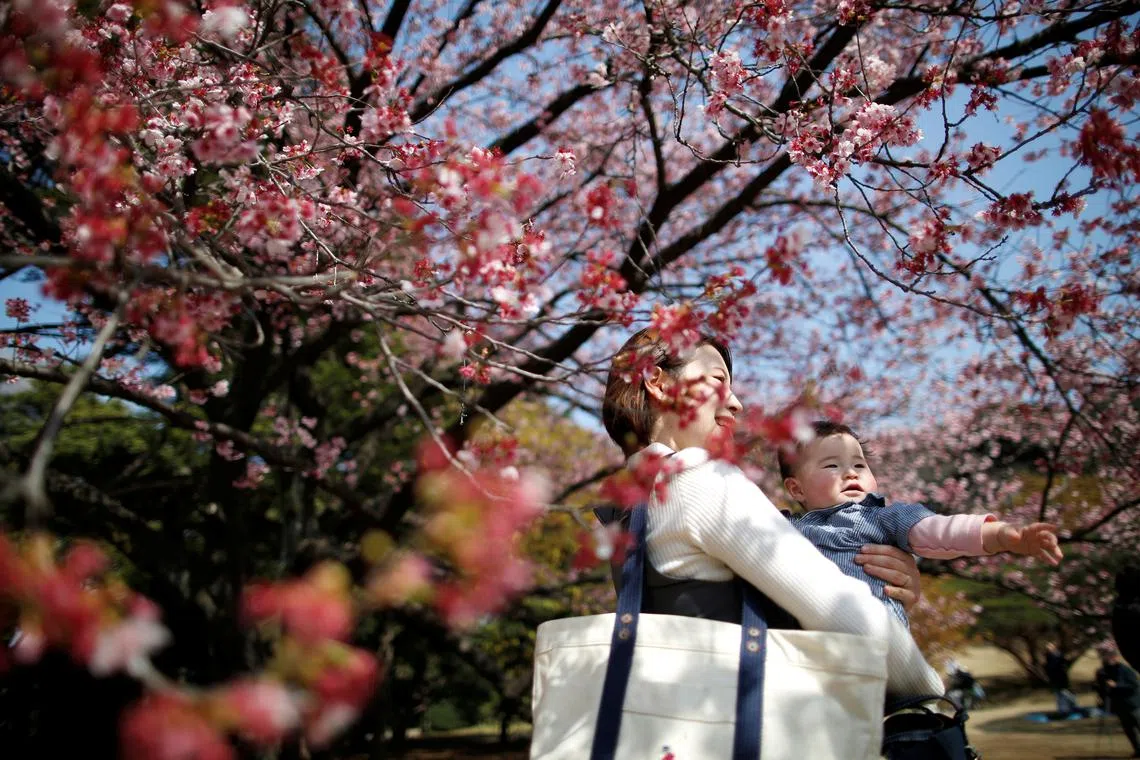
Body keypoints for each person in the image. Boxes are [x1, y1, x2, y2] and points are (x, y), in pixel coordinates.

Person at [601, 328, 944, 698]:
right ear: (659, 383)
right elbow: (839, 610)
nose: (736, 404)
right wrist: (929, 691)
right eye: (719, 381)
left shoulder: (627, 507)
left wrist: (878, 584)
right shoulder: (696, 474)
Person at [776, 420, 1063, 625]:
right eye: (831, 465)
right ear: (796, 489)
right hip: (809, 634)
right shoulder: (783, 527)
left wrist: (1003, 535)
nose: (851, 473)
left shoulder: (882, 517)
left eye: (859, 465)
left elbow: (940, 531)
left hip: (875, 629)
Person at [1095, 646, 1140, 757]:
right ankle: (1138, 750)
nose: (1108, 659)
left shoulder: (1125, 670)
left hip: (1132, 704)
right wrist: (1101, 697)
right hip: (1119, 706)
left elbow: (1134, 685)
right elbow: (1101, 688)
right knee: (1128, 730)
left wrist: (1117, 685)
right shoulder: (1103, 672)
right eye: (1106, 657)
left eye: (1111, 656)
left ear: (1116, 657)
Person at [1044, 641, 1078, 717]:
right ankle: (1062, 711)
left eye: (1050, 646)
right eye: (1047, 647)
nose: (1048, 648)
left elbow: (1064, 663)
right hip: (1054, 679)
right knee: (1059, 696)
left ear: (1054, 647)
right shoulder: (1048, 657)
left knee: (1066, 694)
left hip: (1061, 679)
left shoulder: (1059, 656)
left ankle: (1070, 707)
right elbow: (1048, 668)